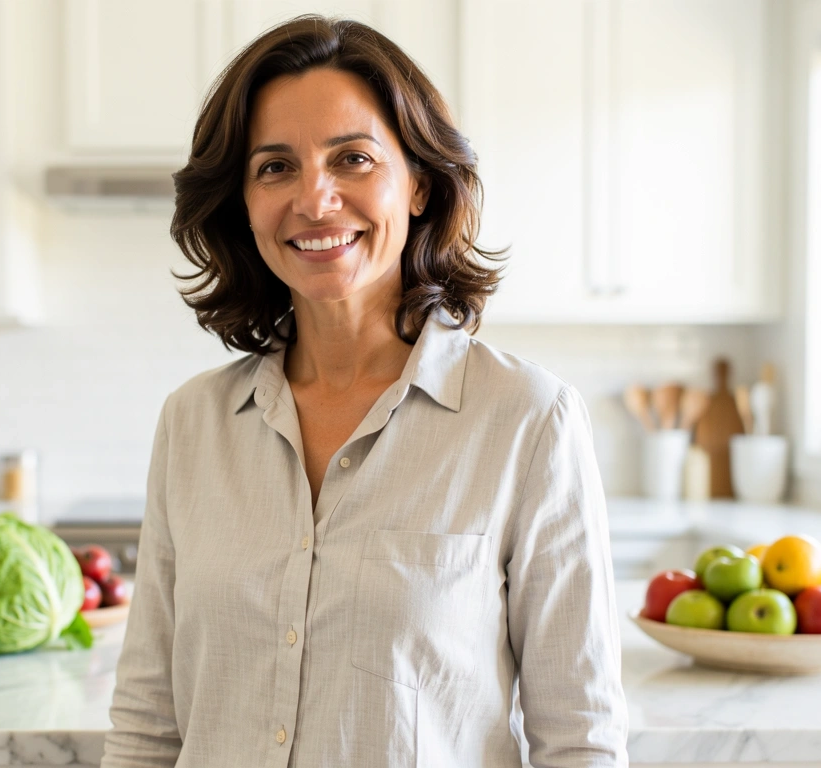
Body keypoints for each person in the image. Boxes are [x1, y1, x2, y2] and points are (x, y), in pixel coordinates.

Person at [101, 14, 628, 768]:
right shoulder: (193, 423)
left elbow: (580, 740)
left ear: (418, 184)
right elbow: (150, 723)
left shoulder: (527, 421)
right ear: (243, 204)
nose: (314, 200)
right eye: (275, 167)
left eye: (352, 159)